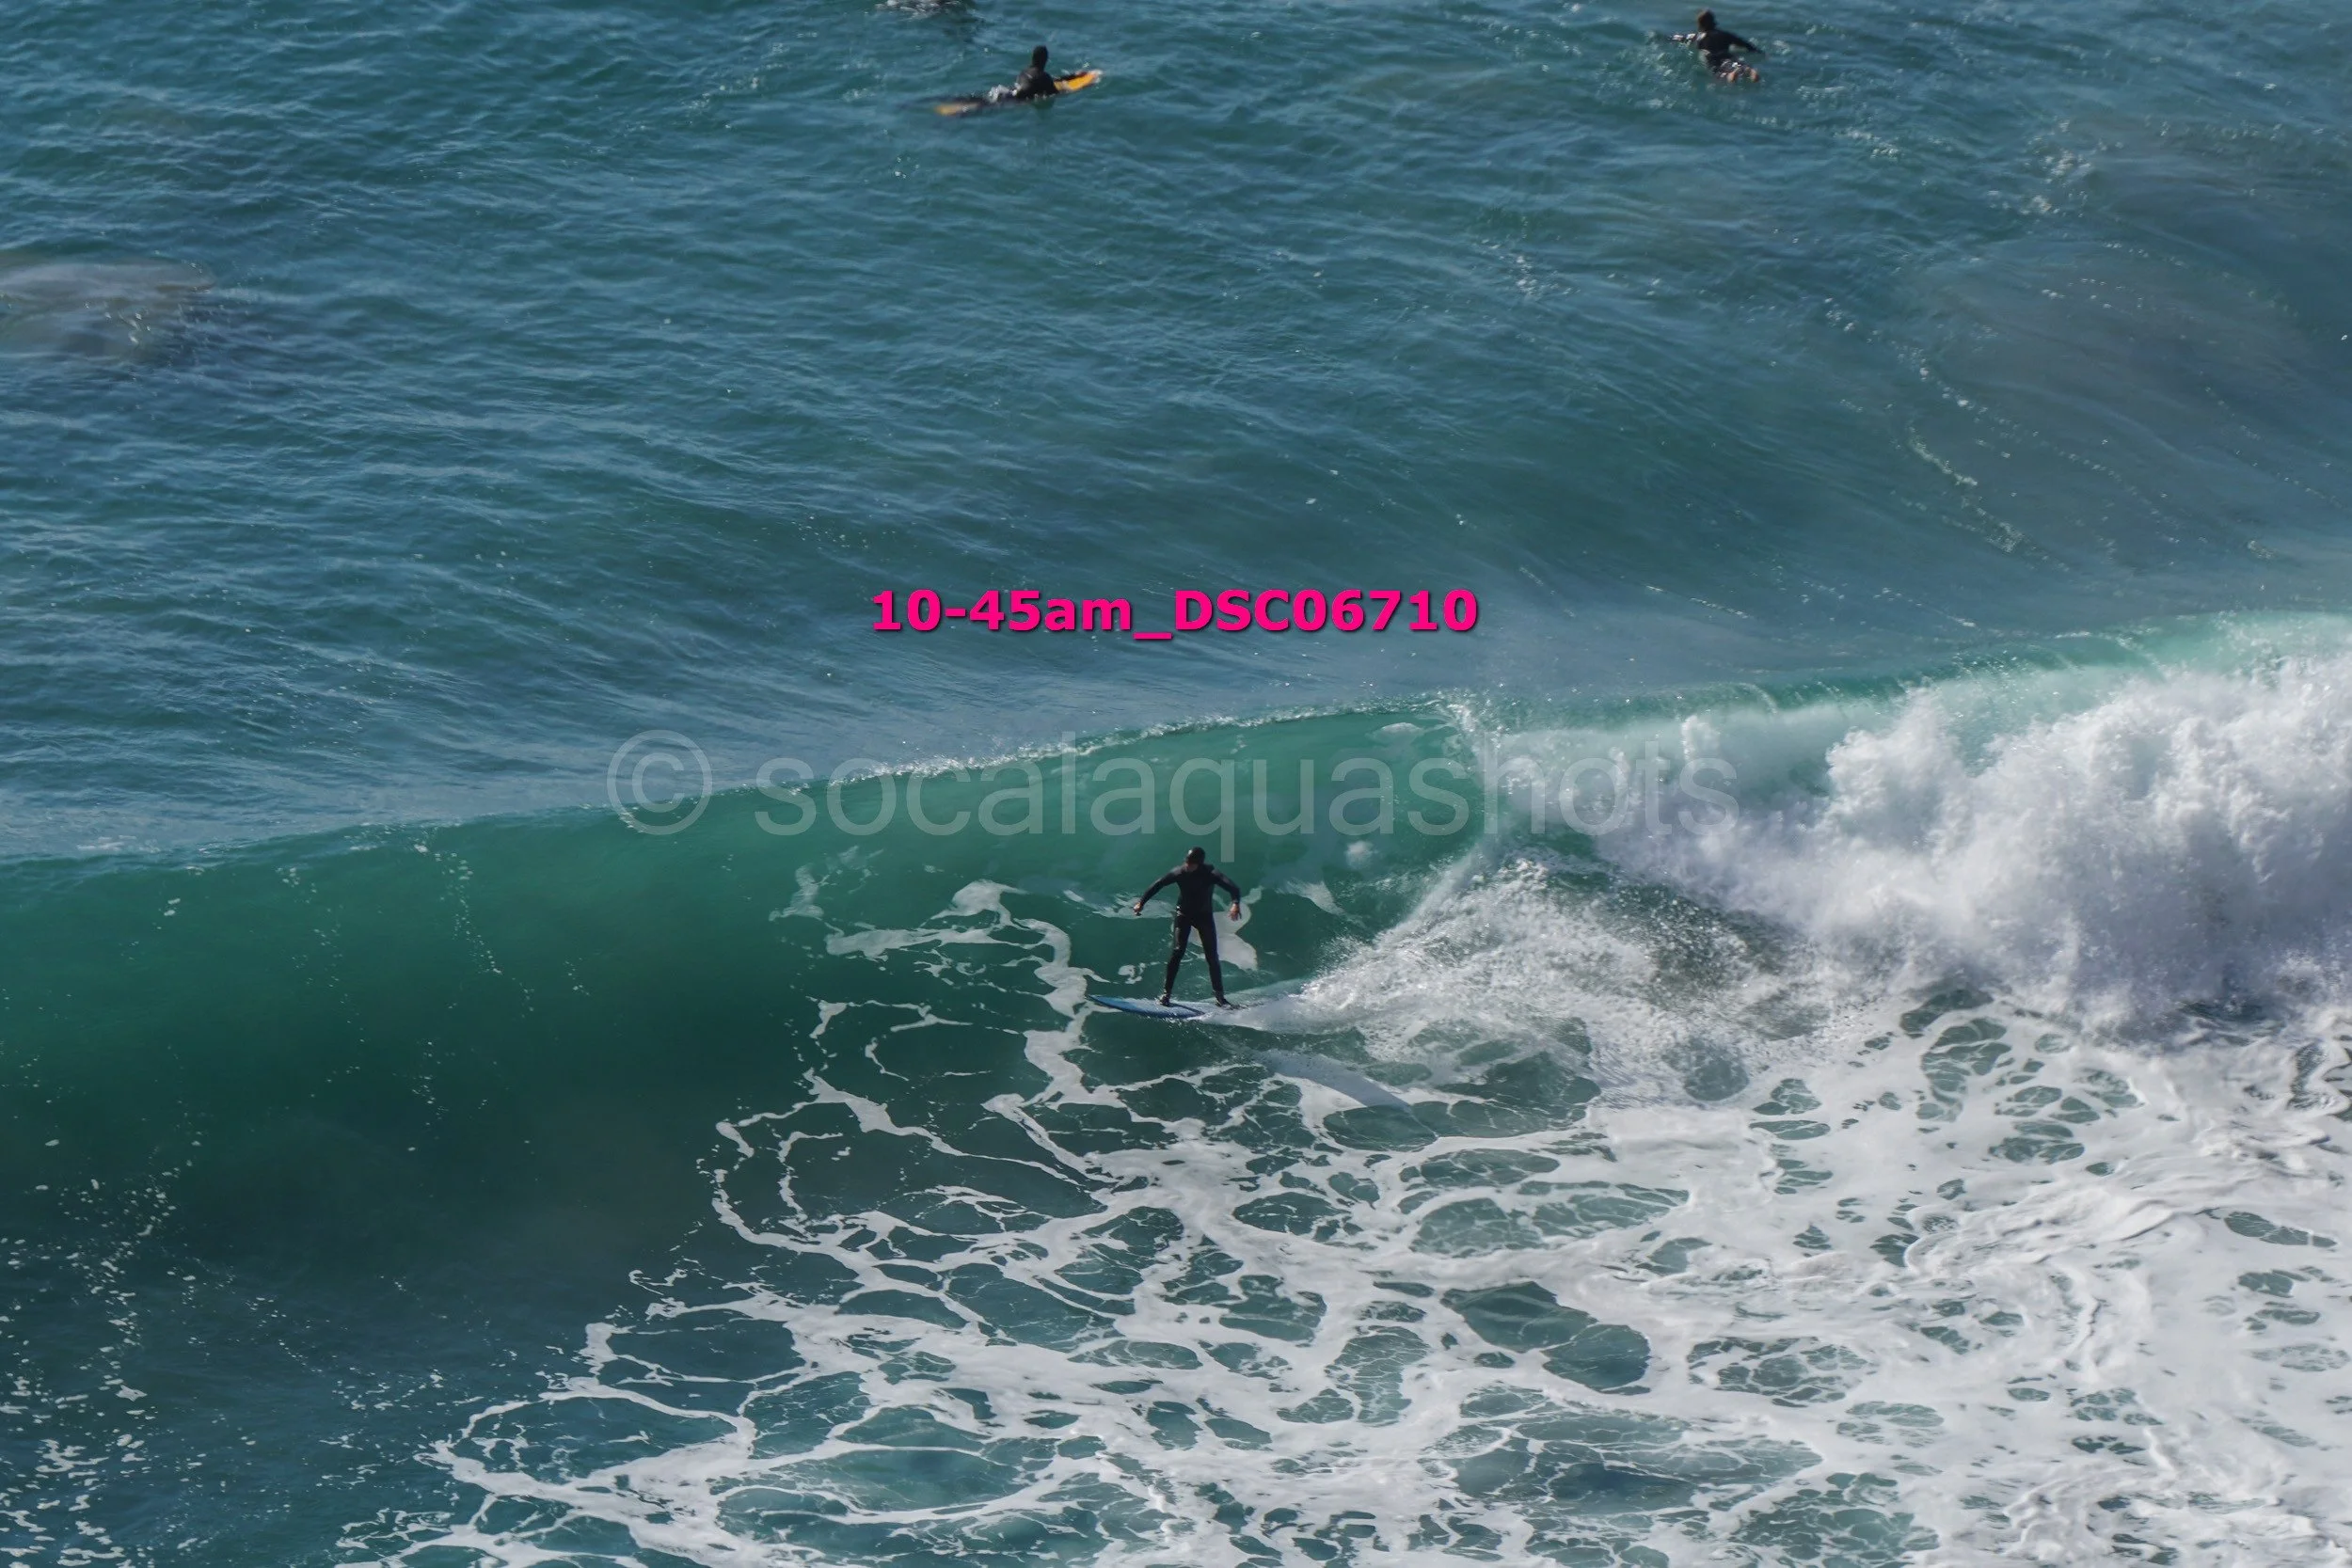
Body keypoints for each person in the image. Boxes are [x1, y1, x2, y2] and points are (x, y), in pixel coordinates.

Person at [1134, 847, 1245, 1007]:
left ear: (1199, 864)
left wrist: (1235, 904)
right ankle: (1166, 995)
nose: (1188, 865)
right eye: (1187, 862)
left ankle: (1220, 997)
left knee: (1212, 956)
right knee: (1178, 951)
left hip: (1204, 917)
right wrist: (1141, 902)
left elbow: (1233, 888)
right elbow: (1158, 884)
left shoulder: (1211, 873)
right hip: (1183, 915)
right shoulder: (1179, 872)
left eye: (1191, 864)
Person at [1673, 10, 1763, 82]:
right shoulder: (1725, 34)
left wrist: (1669, 39)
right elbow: (1744, 44)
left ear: (1700, 25)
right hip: (1727, 55)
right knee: (1741, 65)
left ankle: (1731, 75)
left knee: (1720, 75)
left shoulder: (1698, 37)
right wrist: (1756, 50)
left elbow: (1680, 38)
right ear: (1714, 22)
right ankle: (1750, 71)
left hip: (1713, 58)